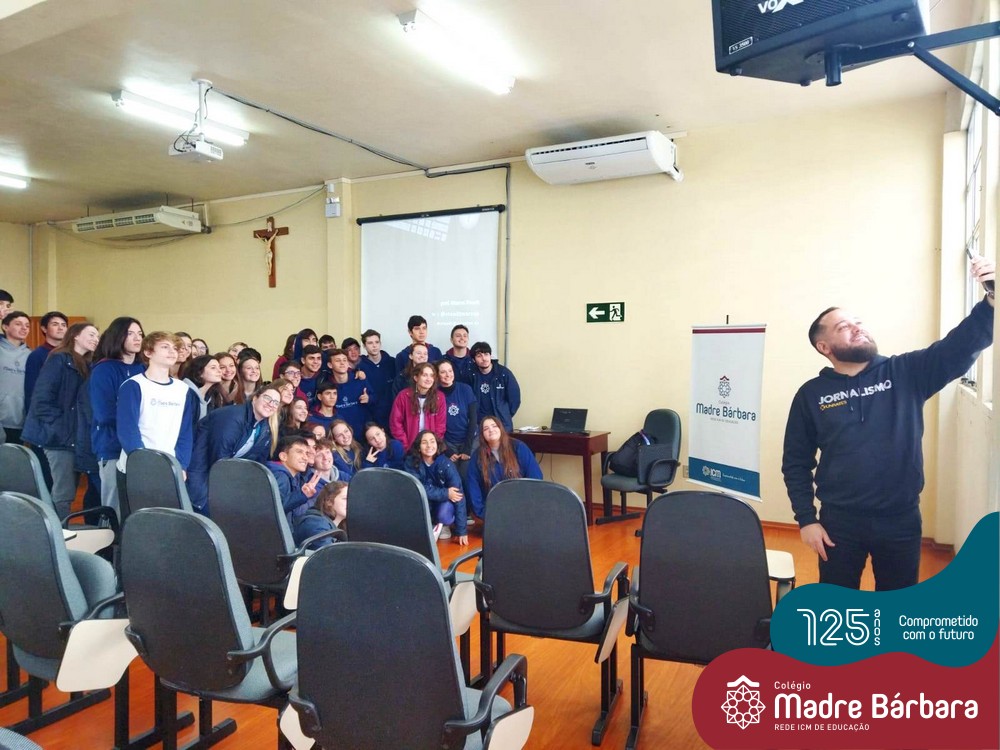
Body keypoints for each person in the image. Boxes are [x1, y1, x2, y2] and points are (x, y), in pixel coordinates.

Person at [782, 257, 995, 591]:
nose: (857, 327)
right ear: (824, 347)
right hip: (839, 522)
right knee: (838, 604)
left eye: (858, 322)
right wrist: (806, 520)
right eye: (843, 327)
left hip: (900, 520)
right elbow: (796, 462)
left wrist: (991, 301)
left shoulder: (905, 373)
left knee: (897, 605)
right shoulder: (811, 394)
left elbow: (959, 347)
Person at [21, 322, 100, 518]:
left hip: (75, 435)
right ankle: (57, 529)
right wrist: (61, 428)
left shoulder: (88, 364)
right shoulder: (59, 359)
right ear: (75, 335)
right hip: (57, 437)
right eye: (91, 334)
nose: (95, 339)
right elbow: (41, 400)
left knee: (70, 488)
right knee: (64, 490)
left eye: (97, 336)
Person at [116, 332, 200, 504]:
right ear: (148, 352)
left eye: (174, 348)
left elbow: (185, 432)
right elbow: (128, 431)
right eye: (165, 347)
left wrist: (181, 465)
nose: (172, 351)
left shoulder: (182, 389)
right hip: (138, 467)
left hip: (169, 466)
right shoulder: (134, 385)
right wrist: (144, 463)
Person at [185, 384, 281, 514]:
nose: (271, 404)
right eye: (267, 398)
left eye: (275, 402)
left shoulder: (264, 428)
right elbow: (219, 459)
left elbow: (256, 463)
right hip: (201, 477)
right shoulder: (233, 417)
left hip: (222, 480)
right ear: (255, 398)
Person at [89, 317, 145, 515]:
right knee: (115, 506)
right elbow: (103, 413)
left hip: (141, 445)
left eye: (140, 334)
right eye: (130, 333)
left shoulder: (142, 369)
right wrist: (137, 421)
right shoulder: (104, 369)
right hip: (112, 446)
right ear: (118, 336)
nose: (137, 338)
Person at [466, 416, 542, 520]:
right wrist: (483, 513)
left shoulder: (518, 447)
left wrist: (528, 506)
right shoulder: (477, 456)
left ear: (501, 428)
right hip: (493, 511)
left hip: (522, 508)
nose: (491, 430)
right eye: (486, 429)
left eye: (494, 426)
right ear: (482, 434)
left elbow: (535, 478)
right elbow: (472, 485)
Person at [404, 430, 467, 544]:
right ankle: (428, 526)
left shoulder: (446, 463)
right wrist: (446, 493)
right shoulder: (411, 462)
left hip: (441, 503)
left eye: (432, 441)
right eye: (424, 442)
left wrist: (461, 531)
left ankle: (442, 525)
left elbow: (459, 495)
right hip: (422, 502)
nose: (429, 445)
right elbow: (417, 488)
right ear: (419, 447)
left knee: (444, 512)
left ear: (437, 445)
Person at [389, 362, 446, 450]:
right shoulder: (403, 396)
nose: (429, 379)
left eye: (431, 376)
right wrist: (405, 445)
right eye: (424, 375)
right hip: (409, 446)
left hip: (431, 447)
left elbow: (441, 426)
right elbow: (395, 423)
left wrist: (433, 445)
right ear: (416, 378)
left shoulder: (439, 397)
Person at [267, 434, 322, 521]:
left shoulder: (290, 477)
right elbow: (273, 510)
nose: (305, 458)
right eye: (299, 452)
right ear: (283, 456)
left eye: (306, 453)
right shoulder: (280, 476)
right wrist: (302, 495)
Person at [470, 341, 521, 432]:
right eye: (479, 356)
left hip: (502, 424)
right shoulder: (470, 375)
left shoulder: (504, 373)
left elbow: (515, 399)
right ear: (474, 360)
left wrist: (505, 414)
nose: (484, 358)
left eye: (486, 354)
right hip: (478, 426)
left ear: (490, 356)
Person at [0, 310, 33, 446]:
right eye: (18, 324)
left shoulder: (31, 355)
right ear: (5, 327)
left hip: (20, 420)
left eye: (27, 325)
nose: (24, 328)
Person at [24, 310, 68, 408]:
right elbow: (31, 389)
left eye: (64, 325)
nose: (60, 328)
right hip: (46, 409)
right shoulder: (37, 355)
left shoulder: (71, 354)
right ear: (44, 329)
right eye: (55, 324)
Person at [292, 480, 347, 551]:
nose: (350, 502)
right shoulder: (316, 524)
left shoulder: (340, 526)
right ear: (329, 501)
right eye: (345, 498)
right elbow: (329, 555)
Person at [327, 348, 371, 438]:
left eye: (344, 360)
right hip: (341, 436)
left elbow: (375, 398)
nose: (342, 363)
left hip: (364, 433)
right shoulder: (327, 386)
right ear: (330, 365)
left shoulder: (359, 379)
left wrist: (369, 398)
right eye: (338, 361)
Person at [358, 328, 396, 426]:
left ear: (380, 344)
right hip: (371, 416)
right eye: (370, 343)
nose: (374, 345)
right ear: (364, 346)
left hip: (392, 414)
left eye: (377, 342)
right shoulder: (360, 367)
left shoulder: (392, 362)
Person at [182, 355, 226, 420]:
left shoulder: (213, 395)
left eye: (219, 367)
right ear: (199, 372)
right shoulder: (186, 393)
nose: (220, 371)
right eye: (213, 368)